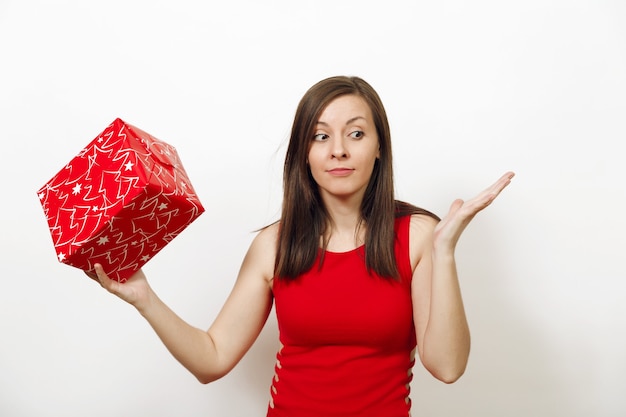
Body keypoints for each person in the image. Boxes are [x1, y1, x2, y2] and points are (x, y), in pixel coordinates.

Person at [90, 75, 514, 417]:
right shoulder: (274, 246)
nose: (339, 150)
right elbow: (212, 359)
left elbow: (448, 366)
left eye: (356, 133)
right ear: (304, 154)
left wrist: (446, 253)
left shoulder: (420, 236)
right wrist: (146, 299)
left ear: (379, 146)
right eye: (321, 137)